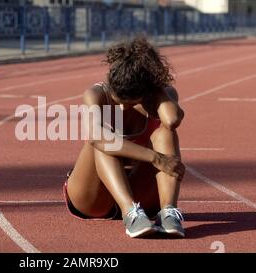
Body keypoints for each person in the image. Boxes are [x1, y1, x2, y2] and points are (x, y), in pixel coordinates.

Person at [63, 36, 186, 238]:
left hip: (141, 194)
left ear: (144, 93)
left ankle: (169, 212)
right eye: (116, 99)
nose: (120, 107)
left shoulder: (158, 96)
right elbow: (96, 137)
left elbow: (172, 119)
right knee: (102, 139)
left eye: (128, 103)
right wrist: (155, 158)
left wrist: (156, 89)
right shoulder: (97, 94)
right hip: (93, 197)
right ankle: (130, 214)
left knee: (166, 132)